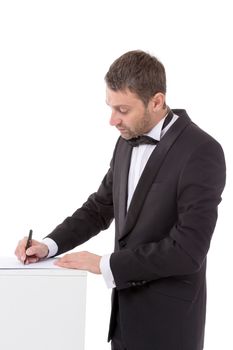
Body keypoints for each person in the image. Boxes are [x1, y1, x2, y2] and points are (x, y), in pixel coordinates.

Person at [15, 50, 226, 350]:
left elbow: (188, 251)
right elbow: (100, 207)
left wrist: (104, 264)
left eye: (123, 109)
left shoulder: (202, 151)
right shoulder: (125, 141)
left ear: (156, 101)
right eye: (110, 107)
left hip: (170, 327)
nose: (112, 120)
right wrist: (48, 245)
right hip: (123, 323)